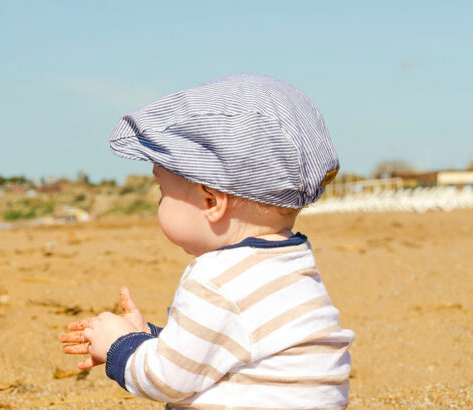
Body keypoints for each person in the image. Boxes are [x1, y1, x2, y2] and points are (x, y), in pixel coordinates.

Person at [59, 74, 354, 408]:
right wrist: (149, 338)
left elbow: (169, 380)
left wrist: (120, 345)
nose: (159, 202)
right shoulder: (291, 260)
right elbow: (228, 349)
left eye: (163, 191)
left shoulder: (216, 278)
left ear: (211, 202)